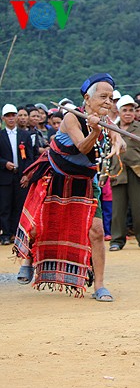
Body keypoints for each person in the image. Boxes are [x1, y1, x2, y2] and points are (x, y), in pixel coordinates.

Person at [14, 73, 126, 301]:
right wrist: (94, 131)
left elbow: (118, 139)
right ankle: (27, 259)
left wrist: (118, 142)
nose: (108, 102)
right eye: (103, 96)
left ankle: (100, 286)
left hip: (85, 180)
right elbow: (84, 147)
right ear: (87, 97)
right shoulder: (71, 118)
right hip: (55, 174)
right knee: (38, 226)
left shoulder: (107, 120)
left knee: (96, 231)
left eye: (111, 98)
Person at [108, 95, 140, 251]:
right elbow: (107, 151)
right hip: (118, 172)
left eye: (131, 110)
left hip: (137, 172)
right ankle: (117, 240)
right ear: (119, 111)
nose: (128, 113)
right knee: (118, 210)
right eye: (125, 110)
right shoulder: (112, 128)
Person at [0, 104, 34, 245]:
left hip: (21, 176)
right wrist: (4, 163)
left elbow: (30, 157)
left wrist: (27, 175)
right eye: (8, 116)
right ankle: (6, 234)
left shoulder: (24, 135)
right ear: (3, 118)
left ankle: (17, 233)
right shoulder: (0, 136)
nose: (11, 118)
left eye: (13, 115)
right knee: (5, 205)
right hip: (5, 176)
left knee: (19, 205)